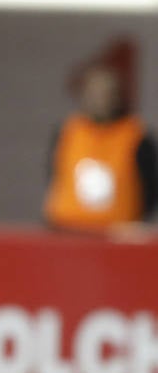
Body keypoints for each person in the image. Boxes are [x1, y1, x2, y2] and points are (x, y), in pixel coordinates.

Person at [43, 43, 157, 234]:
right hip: (67, 230)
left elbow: (150, 187)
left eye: (106, 93)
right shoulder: (68, 130)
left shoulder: (136, 135)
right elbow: (55, 175)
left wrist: (137, 223)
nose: (100, 99)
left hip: (118, 233)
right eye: (93, 92)